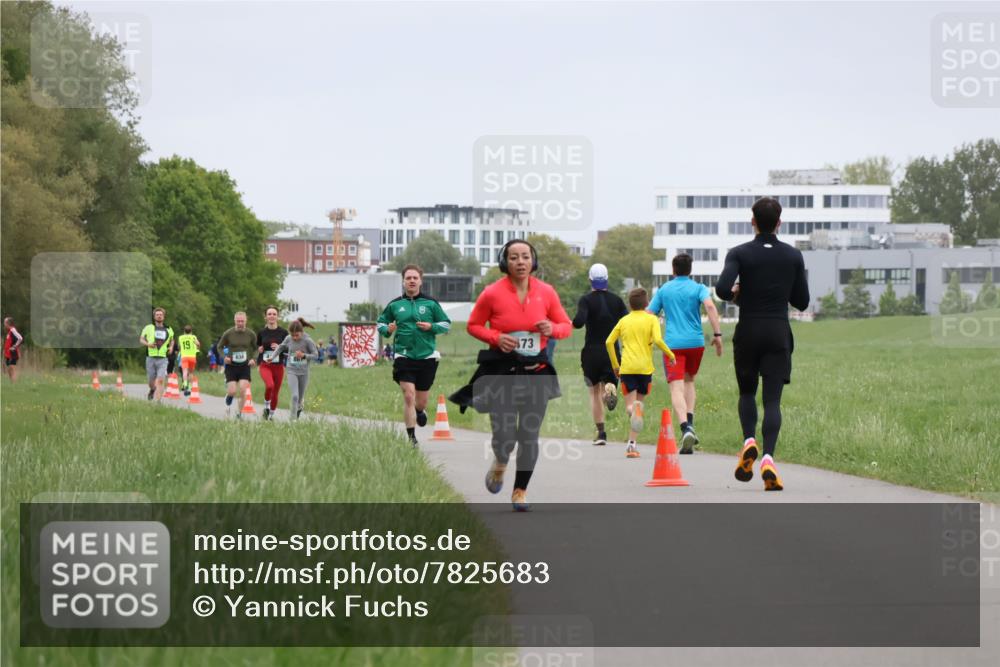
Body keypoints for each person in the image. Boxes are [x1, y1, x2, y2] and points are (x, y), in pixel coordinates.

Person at [451, 240, 572, 511]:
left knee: (529, 435)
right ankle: (501, 463)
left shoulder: (547, 292)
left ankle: (520, 491)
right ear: (505, 262)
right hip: (503, 373)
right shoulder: (492, 293)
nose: (520, 262)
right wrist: (496, 337)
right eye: (514, 257)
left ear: (533, 261)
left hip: (537, 373)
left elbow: (566, 325)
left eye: (525, 257)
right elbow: (473, 325)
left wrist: (552, 329)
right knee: (505, 436)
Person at [715, 197, 810, 491]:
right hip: (778, 331)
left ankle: (748, 441)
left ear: (752, 221)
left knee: (747, 393)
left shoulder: (739, 253)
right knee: (772, 400)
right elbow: (802, 301)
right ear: (779, 222)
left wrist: (739, 292)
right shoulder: (793, 256)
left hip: (748, 331)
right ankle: (768, 458)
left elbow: (721, 290)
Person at [647, 253, 724, 454]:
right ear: (690, 270)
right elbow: (710, 306)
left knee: (676, 388)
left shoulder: (664, 289)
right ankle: (690, 424)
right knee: (689, 382)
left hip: (673, 345)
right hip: (695, 343)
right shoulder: (699, 288)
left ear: (673, 270)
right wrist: (717, 334)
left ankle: (685, 428)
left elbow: (649, 314)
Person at [376, 265, 452, 446]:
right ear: (403, 281)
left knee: (421, 401)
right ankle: (411, 439)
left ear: (420, 281)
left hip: (427, 357)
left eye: (415, 278)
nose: (411, 281)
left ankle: (419, 411)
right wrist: (388, 329)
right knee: (408, 395)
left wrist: (431, 327)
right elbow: (380, 324)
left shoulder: (431, 303)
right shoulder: (395, 305)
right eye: (408, 278)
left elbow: (446, 324)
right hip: (404, 355)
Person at [606, 288, 675, 458]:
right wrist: (670, 354)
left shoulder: (624, 320)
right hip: (645, 369)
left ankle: (631, 413)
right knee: (640, 406)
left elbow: (609, 342)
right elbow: (658, 340)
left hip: (627, 368)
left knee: (632, 406)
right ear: (646, 303)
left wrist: (616, 365)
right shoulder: (652, 319)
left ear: (630, 304)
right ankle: (632, 445)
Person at [572, 263, 629, 446]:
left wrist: (573, 321)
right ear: (606, 280)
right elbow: (627, 322)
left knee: (593, 393)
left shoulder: (586, 300)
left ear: (590, 280)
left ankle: (601, 433)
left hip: (592, 351)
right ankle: (609, 390)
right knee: (607, 385)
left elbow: (579, 322)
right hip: (612, 351)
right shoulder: (617, 301)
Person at [273, 317, 319, 419]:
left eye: (297, 335)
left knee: (299, 398)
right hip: (291, 370)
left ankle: (299, 407)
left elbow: (316, 355)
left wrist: (304, 356)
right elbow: (281, 347)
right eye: (292, 335)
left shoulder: (308, 341)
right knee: (294, 396)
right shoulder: (288, 338)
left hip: (304, 373)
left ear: (301, 332)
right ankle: (292, 420)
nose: (294, 338)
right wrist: (272, 356)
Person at [218, 311, 258, 418]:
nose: (240, 323)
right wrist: (224, 357)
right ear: (234, 321)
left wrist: (254, 359)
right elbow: (220, 347)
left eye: (242, 321)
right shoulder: (228, 333)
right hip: (231, 365)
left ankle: (239, 413)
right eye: (238, 321)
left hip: (245, 365)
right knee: (232, 391)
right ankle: (229, 398)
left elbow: (256, 348)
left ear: (246, 321)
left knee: (243, 390)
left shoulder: (250, 334)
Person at [256, 305, 290, 421]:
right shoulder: (261, 333)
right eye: (269, 314)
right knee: (269, 385)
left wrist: (280, 348)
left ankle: (270, 415)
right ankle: (266, 405)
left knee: (275, 392)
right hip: (265, 365)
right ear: (266, 317)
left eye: (274, 314)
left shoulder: (284, 333)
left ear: (278, 317)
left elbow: (289, 349)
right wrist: (259, 350)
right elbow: (259, 347)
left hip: (278, 366)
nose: (272, 316)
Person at [139, 307, 174, 401]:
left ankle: (158, 401)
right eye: (157, 314)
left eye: (161, 315)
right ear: (154, 316)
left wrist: (171, 347)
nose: (159, 316)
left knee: (161, 380)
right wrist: (148, 344)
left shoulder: (169, 329)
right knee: (151, 381)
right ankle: (152, 389)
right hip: (150, 358)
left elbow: (172, 340)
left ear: (164, 317)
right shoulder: (148, 327)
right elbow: (141, 339)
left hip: (163, 358)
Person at [176, 325, 201, 395]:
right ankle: (190, 387)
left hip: (184, 356)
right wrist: (197, 347)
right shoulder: (193, 337)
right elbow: (198, 344)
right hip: (192, 356)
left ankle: (185, 384)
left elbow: (179, 347)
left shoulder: (180, 337)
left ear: (184, 331)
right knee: (191, 373)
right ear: (191, 331)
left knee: (184, 371)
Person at [3, 317, 24, 383]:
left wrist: (14, 347)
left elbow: (20, 338)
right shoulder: (9, 332)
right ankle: (12, 383)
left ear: (8, 323)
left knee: (12, 368)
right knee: (9, 369)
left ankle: (14, 383)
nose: (4, 324)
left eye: (5, 322)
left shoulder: (13, 330)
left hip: (13, 353)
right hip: (8, 353)